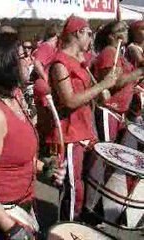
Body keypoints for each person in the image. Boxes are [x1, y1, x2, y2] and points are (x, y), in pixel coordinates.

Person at [0, 32, 65, 240]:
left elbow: (16, 157)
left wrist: (46, 168)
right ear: (6, 64)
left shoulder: (16, 98)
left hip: (22, 209)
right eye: (24, 55)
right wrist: (11, 228)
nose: (30, 60)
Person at [47, 16, 118, 221]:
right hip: (70, 133)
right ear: (78, 33)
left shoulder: (80, 61)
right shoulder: (60, 63)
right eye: (89, 33)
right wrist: (102, 86)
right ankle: (67, 228)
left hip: (85, 129)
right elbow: (69, 100)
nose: (91, 38)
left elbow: (89, 95)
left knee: (86, 180)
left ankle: (78, 220)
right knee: (72, 186)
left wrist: (100, 93)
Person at [93, 20, 144, 142]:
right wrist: (140, 71)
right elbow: (115, 82)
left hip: (119, 112)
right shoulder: (109, 52)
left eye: (126, 28)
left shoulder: (118, 54)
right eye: (121, 30)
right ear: (111, 36)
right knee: (108, 151)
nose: (126, 31)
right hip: (109, 110)